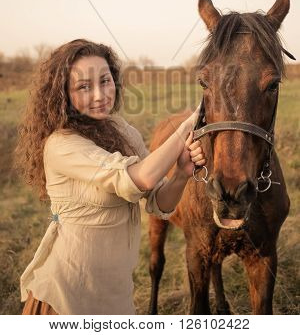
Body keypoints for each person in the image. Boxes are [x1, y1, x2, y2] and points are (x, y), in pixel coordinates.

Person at [15, 39, 206, 315]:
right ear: (63, 94)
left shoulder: (121, 130)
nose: (99, 94)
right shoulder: (61, 144)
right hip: (68, 296)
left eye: (105, 81)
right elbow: (139, 179)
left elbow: (157, 202)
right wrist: (189, 124)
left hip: (116, 296)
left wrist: (180, 175)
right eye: (84, 86)